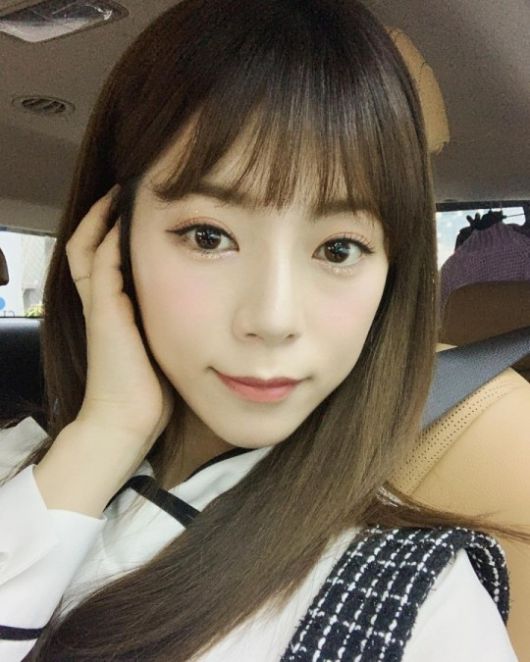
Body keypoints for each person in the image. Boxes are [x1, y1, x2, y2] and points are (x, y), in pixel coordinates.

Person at [0, 1, 528, 660]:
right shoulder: (21, 458)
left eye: (338, 249)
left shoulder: (421, 607)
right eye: (208, 236)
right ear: (112, 237)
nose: (273, 319)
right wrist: (105, 432)